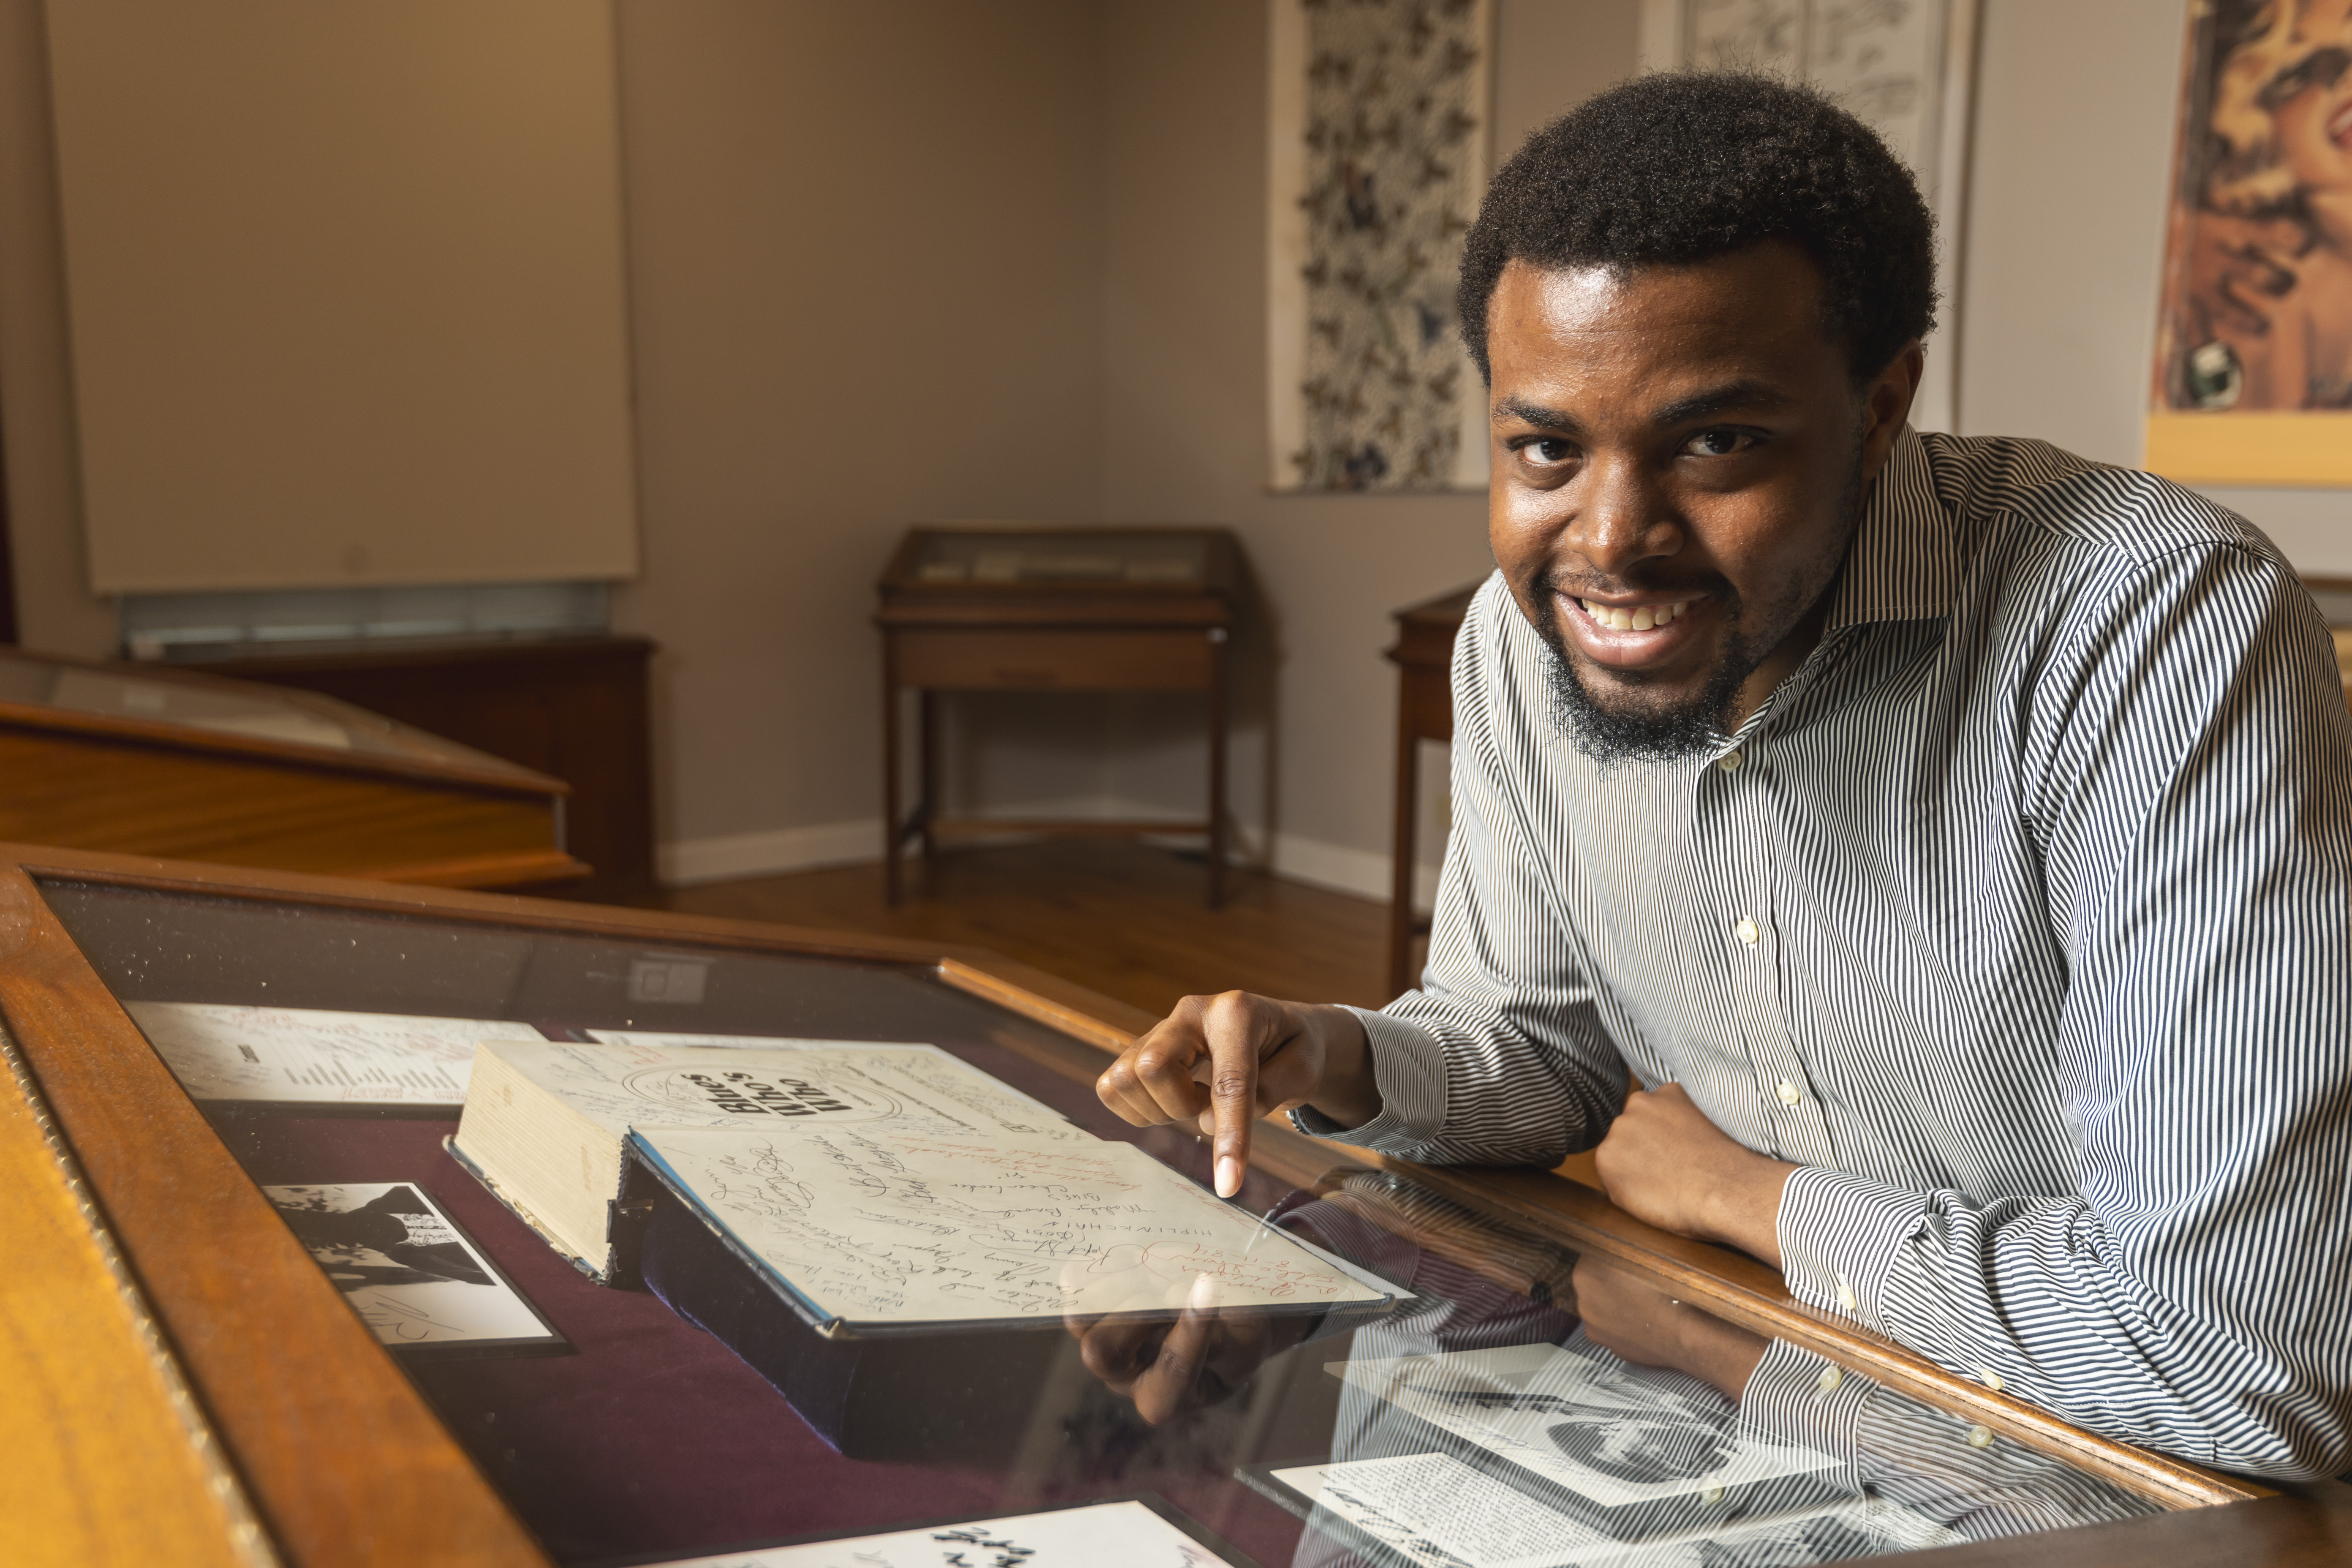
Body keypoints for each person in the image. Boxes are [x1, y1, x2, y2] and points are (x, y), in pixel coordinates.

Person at [1094, 71, 2352, 1478]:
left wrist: (1759, 1205)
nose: (1612, 540)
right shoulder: (1522, 649)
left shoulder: (2156, 630)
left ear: (1881, 408)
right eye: (1546, 449)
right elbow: (1544, 1049)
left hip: (2110, 1487)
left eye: (1715, 442)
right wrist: (1335, 1053)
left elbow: (2251, 1359)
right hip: (1730, 1404)